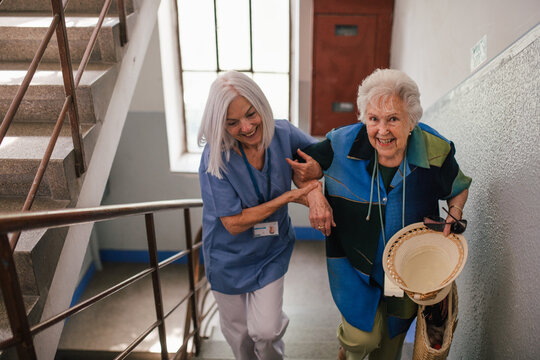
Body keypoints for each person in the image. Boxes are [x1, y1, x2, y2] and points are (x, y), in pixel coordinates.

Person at [289, 68, 471, 359]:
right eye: (373, 119)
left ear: (411, 121)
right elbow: (300, 170)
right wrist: (314, 195)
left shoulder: (434, 150)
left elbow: (458, 186)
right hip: (352, 261)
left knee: (389, 348)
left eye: (393, 119)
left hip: (408, 269)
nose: (382, 130)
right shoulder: (340, 143)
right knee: (361, 340)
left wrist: (455, 211)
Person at [197, 71, 333, 360]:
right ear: (220, 123)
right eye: (232, 123)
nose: (246, 127)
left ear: (261, 105)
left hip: (270, 251)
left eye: (250, 114)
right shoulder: (215, 158)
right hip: (227, 257)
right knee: (241, 336)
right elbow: (232, 223)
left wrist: (316, 178)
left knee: (267, 330)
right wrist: (288, 197)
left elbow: (319, 161)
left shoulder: (283, 134)